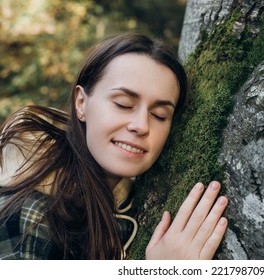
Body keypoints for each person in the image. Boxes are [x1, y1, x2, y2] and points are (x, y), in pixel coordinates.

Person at [0, 33, 228, 259]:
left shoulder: (129, 204)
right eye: (123, 104)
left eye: (159, 115)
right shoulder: (30, 211)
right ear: (81, 103)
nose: (141, 125)